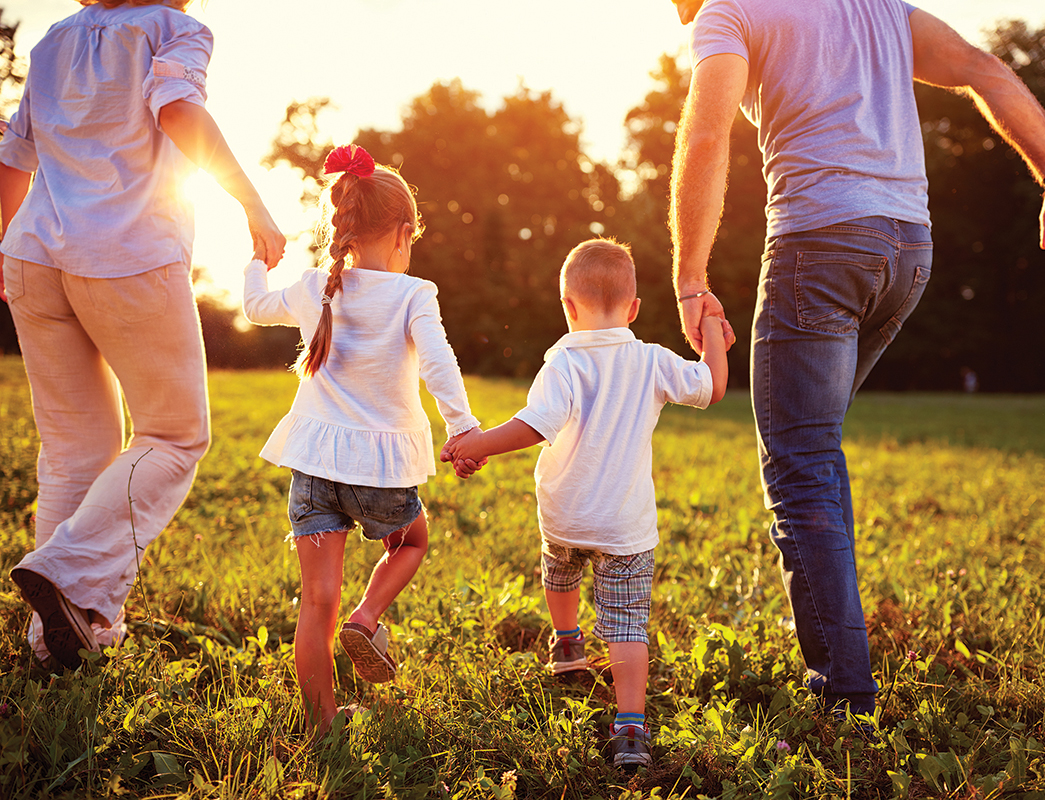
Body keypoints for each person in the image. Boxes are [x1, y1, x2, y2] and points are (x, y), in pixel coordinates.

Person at [667, 0, 1045, 721]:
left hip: (821, 244)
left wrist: (690, 277)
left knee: (800, 468)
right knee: (815, 451)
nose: (685, 19)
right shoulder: (874, 7)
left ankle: (843, 693)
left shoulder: (727, 12)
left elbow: (707, 133)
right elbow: (983, 69)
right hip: (907, 249)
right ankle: (837, 650)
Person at [2, 0, 286, 670]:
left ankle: (62, 640)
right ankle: (69, 574)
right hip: (128, 256)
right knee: (174, 434)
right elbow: (178, 108)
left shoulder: (53, 40)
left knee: (74, 452)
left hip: (34, 255)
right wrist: (252, 200)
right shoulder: (172, 27)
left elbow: (15, 152)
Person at [444, 238, 731, 767]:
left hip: (565, 516)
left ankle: (568, 641)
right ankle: (630, 731)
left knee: (560, 575)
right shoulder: (651, 360)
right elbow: (712, 386)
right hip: (624, 527)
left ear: (567, 307)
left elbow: (535, 425)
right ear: (635, 308)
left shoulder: (563, 361)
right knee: (625, 625)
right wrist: (711, 328)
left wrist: (477, 443)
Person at [243, 143, 481, 734]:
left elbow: (251, 307)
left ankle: (322, 724)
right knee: (411, 542)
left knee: (315, 603)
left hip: (313, 468)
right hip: (379, 472)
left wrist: (256, 261)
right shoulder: (411, 295)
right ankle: (369, 616)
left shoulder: (312, 287)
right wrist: (463, 427)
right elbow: (439, 364)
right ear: (403, 234)